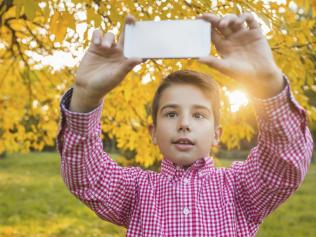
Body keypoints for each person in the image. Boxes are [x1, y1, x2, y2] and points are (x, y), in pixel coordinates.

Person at [56, 13, 313, 236]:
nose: (184, 124)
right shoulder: (136, 191)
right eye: (170, 114)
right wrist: (86, 96)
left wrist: (267, 84)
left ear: (216, 134)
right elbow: (86, 177)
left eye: (199, 115)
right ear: (153, 133)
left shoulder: (240, 189)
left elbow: (284, 164)